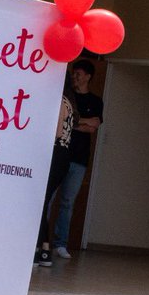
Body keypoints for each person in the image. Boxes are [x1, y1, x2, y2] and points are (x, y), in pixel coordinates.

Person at [49, 59, 103, 259]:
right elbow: (61, 120)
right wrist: (79, 122)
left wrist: (73, 122)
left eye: (79, 74)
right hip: (59, 154)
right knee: (50, 198)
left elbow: (93, 127)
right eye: (73, 73)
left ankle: (60, 243)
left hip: (79, 160)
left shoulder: (96, 101)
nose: (75, 77)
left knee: (67, 202)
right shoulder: (66, 97)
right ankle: (42, 241)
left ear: (88, 76)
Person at [35, 83, 76, 267]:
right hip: (62, 156)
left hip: (55, 154)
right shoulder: (70, 103)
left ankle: (44, 248)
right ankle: (41, 249)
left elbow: (57, 132)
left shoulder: (60, 102)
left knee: (41, 202)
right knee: (42, 202)